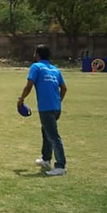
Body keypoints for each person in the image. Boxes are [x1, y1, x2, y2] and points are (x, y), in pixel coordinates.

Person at [18, 44, 68, 177]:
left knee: (53, 135)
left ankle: (60, 165)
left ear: (37, 55)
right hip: (56, 107)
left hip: (46, 108)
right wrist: (58, 102)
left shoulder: (36, 67)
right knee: (46, 131)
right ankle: (46, 159)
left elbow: (29, 86)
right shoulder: (55, 69)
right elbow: (64, 88)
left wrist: (21, 99)